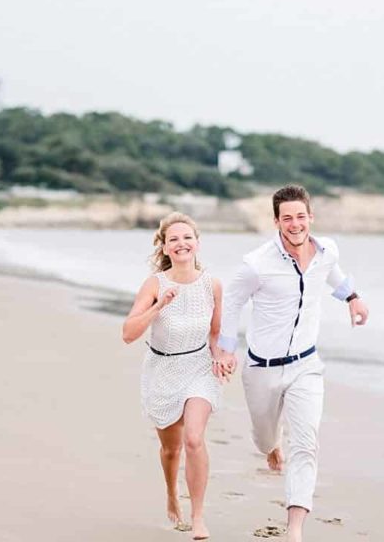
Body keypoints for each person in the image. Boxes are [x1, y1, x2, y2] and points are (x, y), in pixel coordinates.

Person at [215, 184, 369, 542]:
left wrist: (353, 298)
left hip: (306, 365)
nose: (296, 224)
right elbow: (233, 301)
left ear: (310, 217)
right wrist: (225, 349)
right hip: (261, 368)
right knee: (264, 438)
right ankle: (271, 446)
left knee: (307, 444)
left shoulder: (327, 249)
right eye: (288, 218)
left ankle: (294, 529)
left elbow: (333, 273)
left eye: (301, 216)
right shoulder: (256, 264)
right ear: (276, 222)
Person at [122, 212, 224, 541]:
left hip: (198, 368)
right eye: (174, 239)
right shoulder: (155, 284)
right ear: (165, 247)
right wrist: (158, 306)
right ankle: (170, 492)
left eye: (187, 238)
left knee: (194, 439)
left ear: (197, 243)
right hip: (162, 369)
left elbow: (216, 335)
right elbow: (128, 333)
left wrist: (223, 356)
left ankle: (197, 517)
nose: (181, 244)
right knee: (171, 450)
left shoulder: (213, 284)